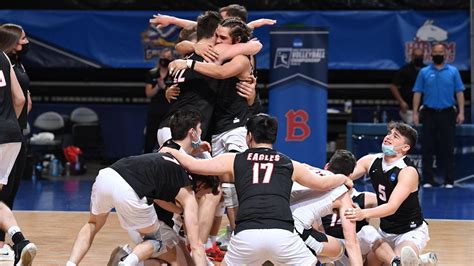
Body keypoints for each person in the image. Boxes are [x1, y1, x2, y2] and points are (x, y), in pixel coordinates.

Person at [161, 114, 353, 265]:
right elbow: (322, 184)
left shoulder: (234, 159)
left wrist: (169, 149)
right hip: (283, 234)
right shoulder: (289, 163)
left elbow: (193, 165)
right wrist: (343, 177)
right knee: (325, 257)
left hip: (246, 235)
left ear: (249, 136)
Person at [66, 152, 206, 266]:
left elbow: (158, 198)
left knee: (93, 223)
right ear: (200, 185)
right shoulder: (188, 190)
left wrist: (180, 211)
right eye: (203, 195)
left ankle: (71, 264)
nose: (200, 199)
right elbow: (196, 246)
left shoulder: (169, 157)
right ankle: (126, 263)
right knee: (156, 241)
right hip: (129, 190)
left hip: (107, 175)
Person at [347, 121, 429, 266]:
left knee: (401, 261)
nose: (389, 137)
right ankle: (421, 261)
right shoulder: (370, 161)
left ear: (405, 147)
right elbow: (345, 176)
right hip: (385, 231)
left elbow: (392, 207)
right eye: (389, 133)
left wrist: (363, 214)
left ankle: (415, 260)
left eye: (395, 136)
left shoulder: (407, 171)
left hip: (409, 231)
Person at [0, 28, 36, 265]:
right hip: (13, 132)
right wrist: (11, 121)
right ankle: (17, 241)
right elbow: (21, 99)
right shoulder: (3, 57)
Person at [289, 150, 363, 265]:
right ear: (349, 176)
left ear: (327, 165)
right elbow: (351, 242)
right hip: (293, 230)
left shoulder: (304, 170)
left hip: (267, 221)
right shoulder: (342, 193)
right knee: (339, 249)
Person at [412, 43, 465, 188]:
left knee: (448, 147)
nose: (438, 54)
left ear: (445, 54)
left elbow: (459, 92)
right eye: (435, 52)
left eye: (440, 52)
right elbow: (417, 92)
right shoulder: (424, 72)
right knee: (427, 147)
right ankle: (428, 179)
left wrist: (461, 112)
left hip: (447, 113)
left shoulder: (453, 71)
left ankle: (449, 180)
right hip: (429, 113)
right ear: (431, 54)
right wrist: (415, 113)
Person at [143, 48, 173, 153]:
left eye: (168, 58)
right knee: (150, 139)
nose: (165, 60)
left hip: (168, 111)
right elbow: (148, 93)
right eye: (163, 57)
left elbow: (175, 94)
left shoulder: (173, 73)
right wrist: (157, 87)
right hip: (154, 111)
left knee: (167, 138)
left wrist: (164, 86)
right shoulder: (152, 73)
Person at [389, 48, 425, 123]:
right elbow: (393, 86)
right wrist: (401, 102)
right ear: (412, 56)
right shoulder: (405, 70)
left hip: (425, 108)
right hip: (408, 108)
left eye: (420, 56)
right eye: (416, 56)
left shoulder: (427, 70)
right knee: (411, 131)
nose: (418, 58)